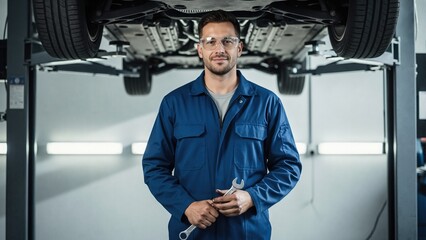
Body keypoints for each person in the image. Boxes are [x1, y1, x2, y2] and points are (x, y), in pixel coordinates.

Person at [142, 9, 302, 240]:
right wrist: (186, 206)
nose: (219, 49)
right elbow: (154, 166)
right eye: (210, 41)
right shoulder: (174, 103)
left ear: (239, 48)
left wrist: (253, 197)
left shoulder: (267, 103)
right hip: (193, 233)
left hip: (248, 233)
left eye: (228, 41)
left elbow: (289, 166)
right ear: (200, 49)